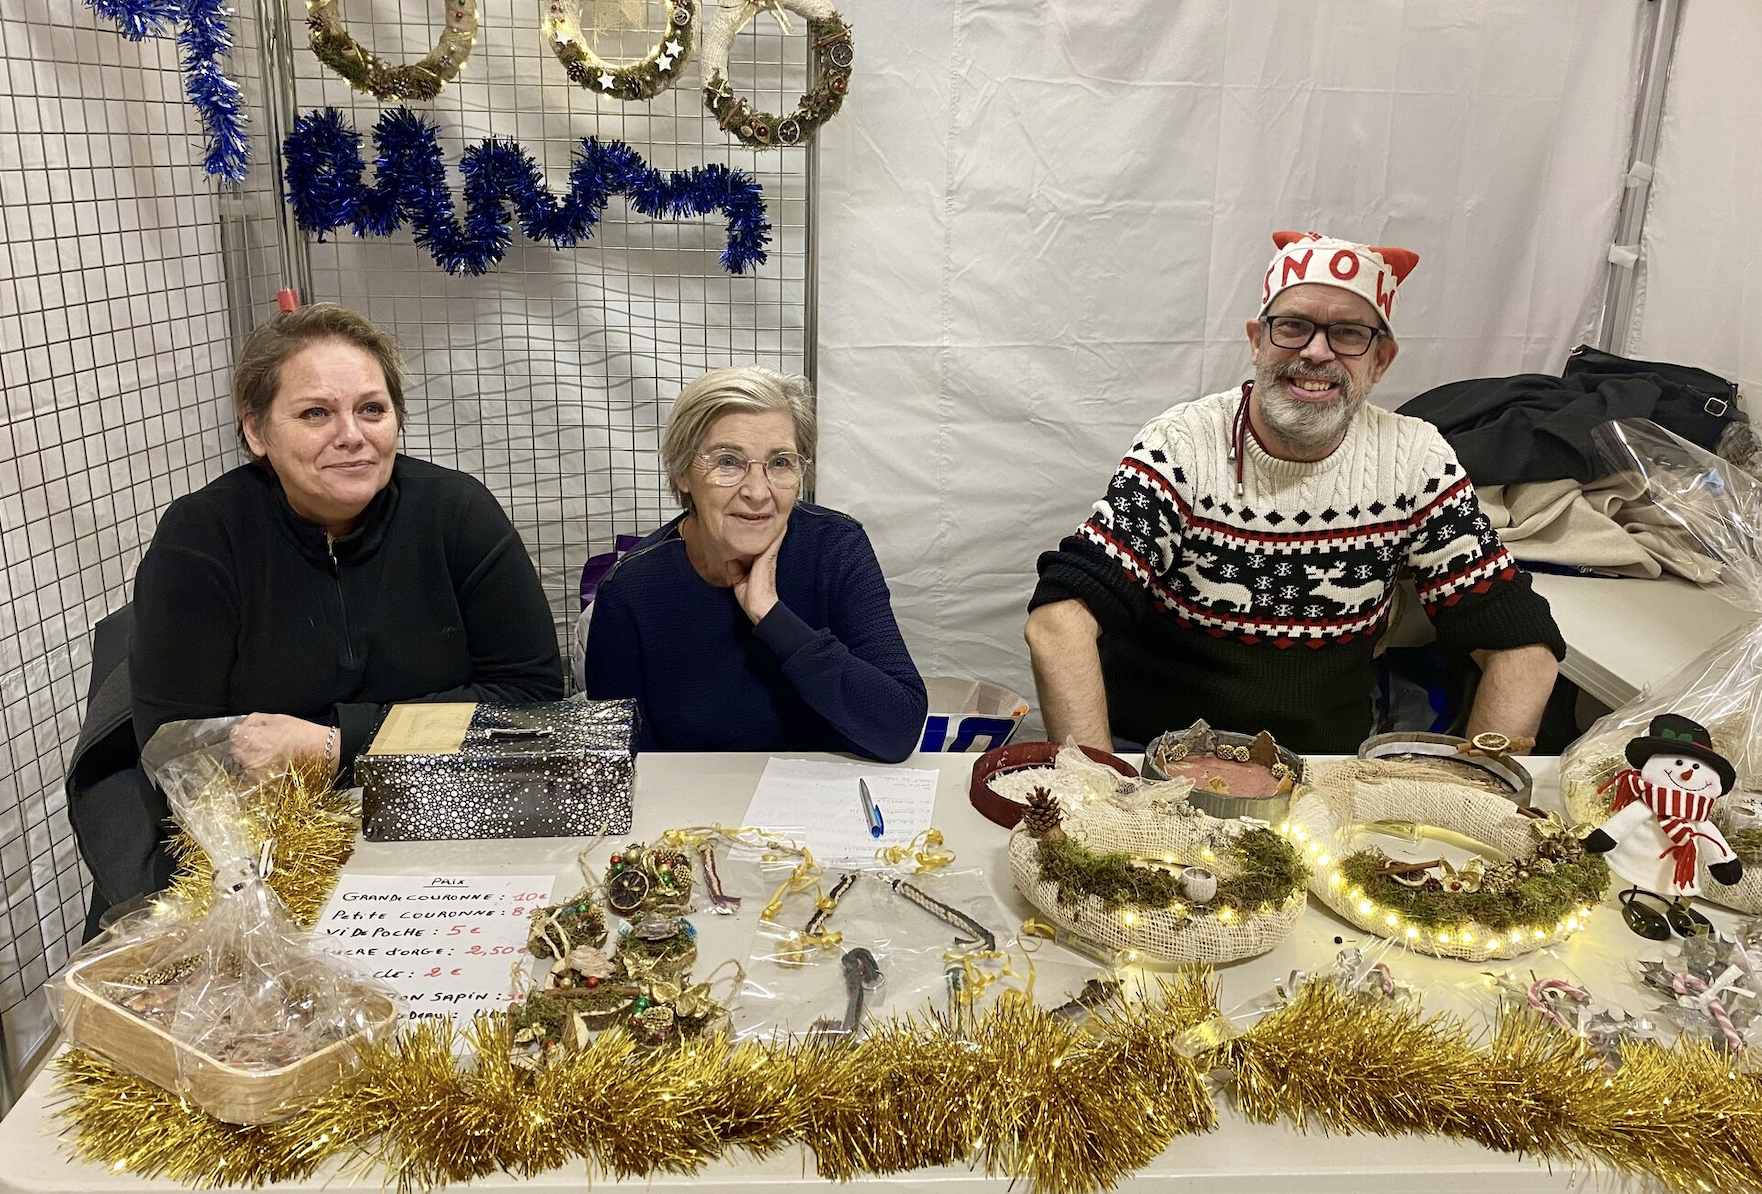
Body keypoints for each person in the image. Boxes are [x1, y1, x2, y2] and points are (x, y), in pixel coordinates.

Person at [1024, 230, 1564, 754]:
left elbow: (1522, 646)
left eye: (1348, 333)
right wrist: (1099, 789)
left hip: (1324, 771)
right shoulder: (1181, 446)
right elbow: (1060, 619)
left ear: (1380, 360)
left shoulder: (1414, 459)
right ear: (1257, 341)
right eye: (1292, 326)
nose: (1317, 352)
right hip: (1156, 757)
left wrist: (1478, 792)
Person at [130, 303, 564, 776]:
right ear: (256, 430)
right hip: (266, 811)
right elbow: (176, 747)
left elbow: (531, 699)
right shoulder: (203, 537)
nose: (352, 435)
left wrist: (340, 745)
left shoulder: (457, 513)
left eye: (371, 409)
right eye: (316, 413)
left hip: (449, 801)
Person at [583, 366, 927, 762]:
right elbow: (620, 763)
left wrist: (773, 617)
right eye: (728, 461)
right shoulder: (631, 590)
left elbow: (899, 730)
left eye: (780, 462)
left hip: (825, 792)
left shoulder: (835, 548)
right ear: (682, 473)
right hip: (697, 800)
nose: (758, 492)